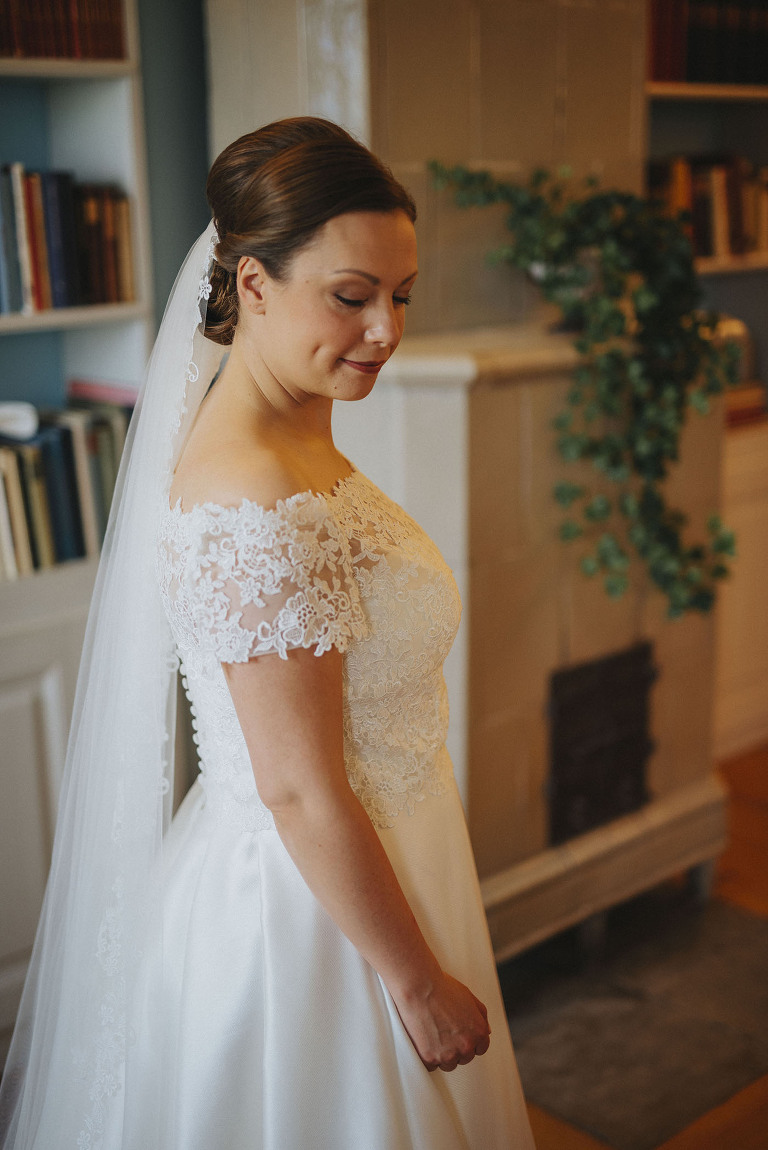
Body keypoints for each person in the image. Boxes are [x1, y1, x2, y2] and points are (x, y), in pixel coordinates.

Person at [0, 117, 535, 1149]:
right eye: (351, 296)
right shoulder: (247, 493)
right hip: (308, 923)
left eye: (402, 295)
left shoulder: (295, 421)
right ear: (252, 283)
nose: (385, 329)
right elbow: (295, 786)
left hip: (387, 858)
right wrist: (416, 983)